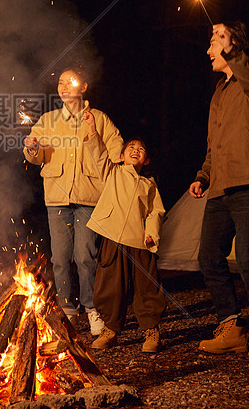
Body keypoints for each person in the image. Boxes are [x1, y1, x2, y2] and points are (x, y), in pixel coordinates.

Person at [189, 21, 249, 359]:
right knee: (209, 257)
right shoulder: (219, 91)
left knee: (247, 256)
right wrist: (203, 175)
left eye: (215, 43)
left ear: (232, 45)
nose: (209, 49)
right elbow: (214, 145)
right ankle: (231, 327)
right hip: (220, 185)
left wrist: (231, 47)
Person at [23, 67, 122, 336]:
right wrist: (32, 147)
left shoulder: (99, 119)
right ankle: (68, 309)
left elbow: (116, 155)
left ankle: (91, 308)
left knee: (85, 256)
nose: (64, 86)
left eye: (71, 82)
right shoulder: (49, 120)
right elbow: (37, 155)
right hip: (57, 199)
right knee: (60, 258)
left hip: (89, 197)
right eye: (61, 82)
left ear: (84, 86)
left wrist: (92, 134)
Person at [81, 117, 167, 352]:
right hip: (112, 238)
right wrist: (91, 130)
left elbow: (155, 212)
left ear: (146, 159)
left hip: (139, 241)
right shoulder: (113, 173)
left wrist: (152, 236)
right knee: (109, 286)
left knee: (147, 287)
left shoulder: (149, 184)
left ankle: (151, 332)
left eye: (141, 149)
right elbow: (98, 155)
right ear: (121, 155)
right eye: (131, 147)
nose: (136, 150)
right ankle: (110, 329)